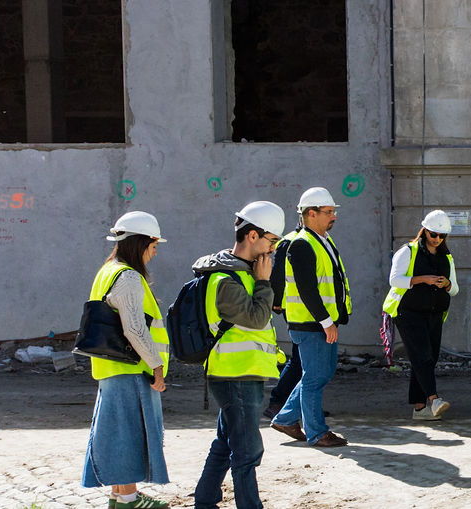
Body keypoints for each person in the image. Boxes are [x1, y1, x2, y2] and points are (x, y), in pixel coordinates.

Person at [192, 201, 286, 509]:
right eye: (271, 241)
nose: (273, 249)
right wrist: (264, 282)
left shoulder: (239, 273)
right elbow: (257, 318)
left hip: (243, 372)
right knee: (247, 452)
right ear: (253, 236)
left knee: (225, 444)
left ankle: (205, 501)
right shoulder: (225, 280)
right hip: (234, 375)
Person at [81, 210, 170, 508]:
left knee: (120, 433)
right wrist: (157, 367)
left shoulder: (107, 271)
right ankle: (130, 500)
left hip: (110, 369)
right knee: (130, 435)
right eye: (153, 246)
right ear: (141, 243)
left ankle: (120, 496)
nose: (154, 253)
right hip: (133, 370)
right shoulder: (129, 276)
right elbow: (134, 328)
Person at [269, 186, 351, 448]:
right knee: (315, 377)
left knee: (319, 374)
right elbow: (307, 288)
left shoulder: (320, 239)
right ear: (311, 213)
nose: (333, 217)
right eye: (328, 212)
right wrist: (326, 321)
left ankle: (285, 418)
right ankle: (317, 432)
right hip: (310, 323)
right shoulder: (302, 244)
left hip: (319, 321)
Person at [386, 209, 460, 422]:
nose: (437, 239)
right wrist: (422, 279)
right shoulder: (408, 251)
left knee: (428, 358)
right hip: (407, 311)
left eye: (442, 236)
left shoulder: (447, 257)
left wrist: (446, 284)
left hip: (434, 313)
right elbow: (395, 280)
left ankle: (419, 409)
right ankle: (433, 399)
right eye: (433, 234)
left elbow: (455, 288)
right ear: (424, 231)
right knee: (422, 356)